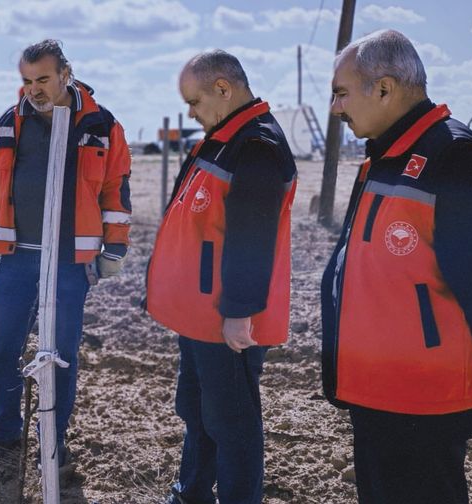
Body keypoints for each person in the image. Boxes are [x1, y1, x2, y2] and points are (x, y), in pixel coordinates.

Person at [321, 29, 472, 504]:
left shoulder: (455, 156)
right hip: (377, 384)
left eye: (341, 93)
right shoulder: (386, 153)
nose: (335, 108)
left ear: (385, 89)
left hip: (424, 393)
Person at [0, 39, 132, 477]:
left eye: (42, 79)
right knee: (2, 350)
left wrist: (114, 248)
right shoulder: (9, 123)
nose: (34, 89)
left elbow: (116, 188)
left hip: (69, 262)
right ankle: (3, 433)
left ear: (65, 74)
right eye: (26, 80)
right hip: (18, 258)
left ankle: (52, 441)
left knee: (60, 356)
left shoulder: (101, 125)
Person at [146, 50, 297, 504]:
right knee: (198, 411)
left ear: (223, 88)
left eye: (194, 101)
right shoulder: (223, 138)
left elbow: (252, 236)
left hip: (226, 318)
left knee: (232, 424)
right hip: (201, 312)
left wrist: (238, 311)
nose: (191, 113)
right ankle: (191, 492)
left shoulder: (256, 146)